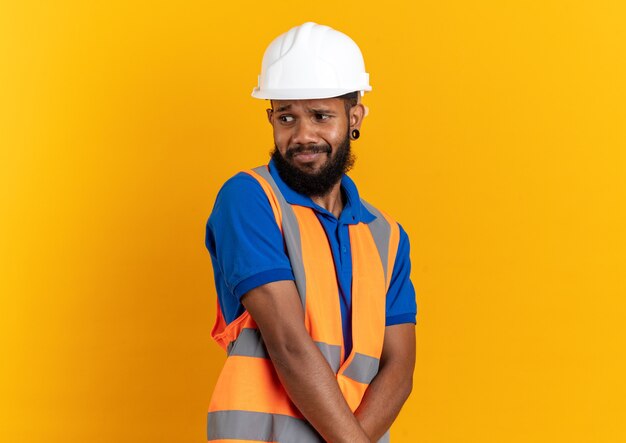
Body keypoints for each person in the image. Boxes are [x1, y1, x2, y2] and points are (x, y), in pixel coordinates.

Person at [205, 22, 417, 443]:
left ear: (354, 117)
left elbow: (400, 367)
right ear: (271, 118)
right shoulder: (249, 199)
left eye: (321, 116)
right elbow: (287, 341)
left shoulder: (386, 235)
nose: (303, 135)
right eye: (287, 117)